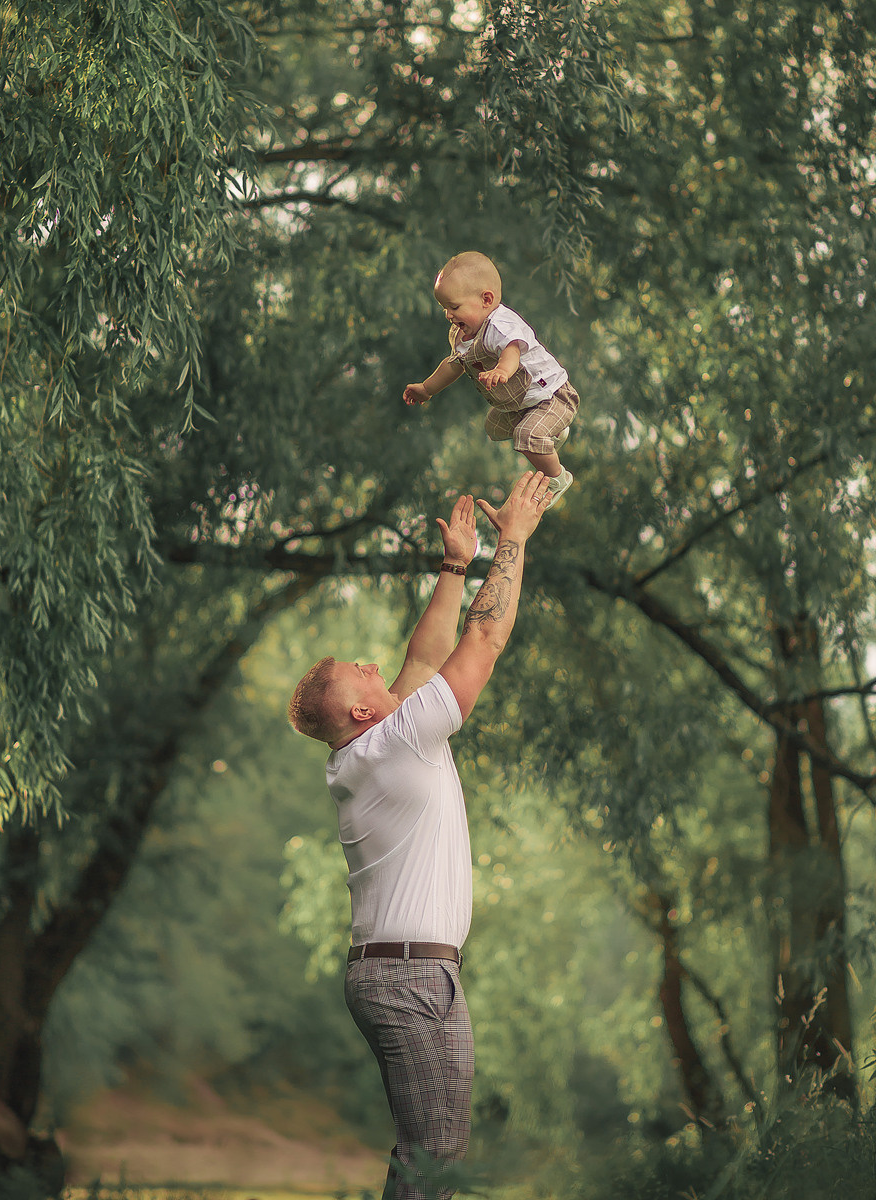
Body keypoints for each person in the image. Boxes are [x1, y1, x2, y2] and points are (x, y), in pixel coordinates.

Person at [287, 472, 553, 1200]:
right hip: (408, 980)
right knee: (433, 1158)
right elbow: (483, 638)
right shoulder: (397, 741)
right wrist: (513, 540)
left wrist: (454, 566)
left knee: (436, 1154)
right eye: (362, 673)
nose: (378, 666)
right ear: (363, 713)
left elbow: (426, 658)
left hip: (413, 974)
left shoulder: (366, 751)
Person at [403, 251, 579, 507]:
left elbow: (512, 351)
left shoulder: (500, 326)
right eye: (445, 308)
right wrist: (426, 388)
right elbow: (454, 364)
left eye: (454, 307)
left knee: (526, 436)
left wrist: (502, 371)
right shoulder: (462, 334)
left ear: (486, 299)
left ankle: (558, 478)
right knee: (494, 428)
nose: (449, 315)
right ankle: (552, 433)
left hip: (552, 395)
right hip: (522, 403)